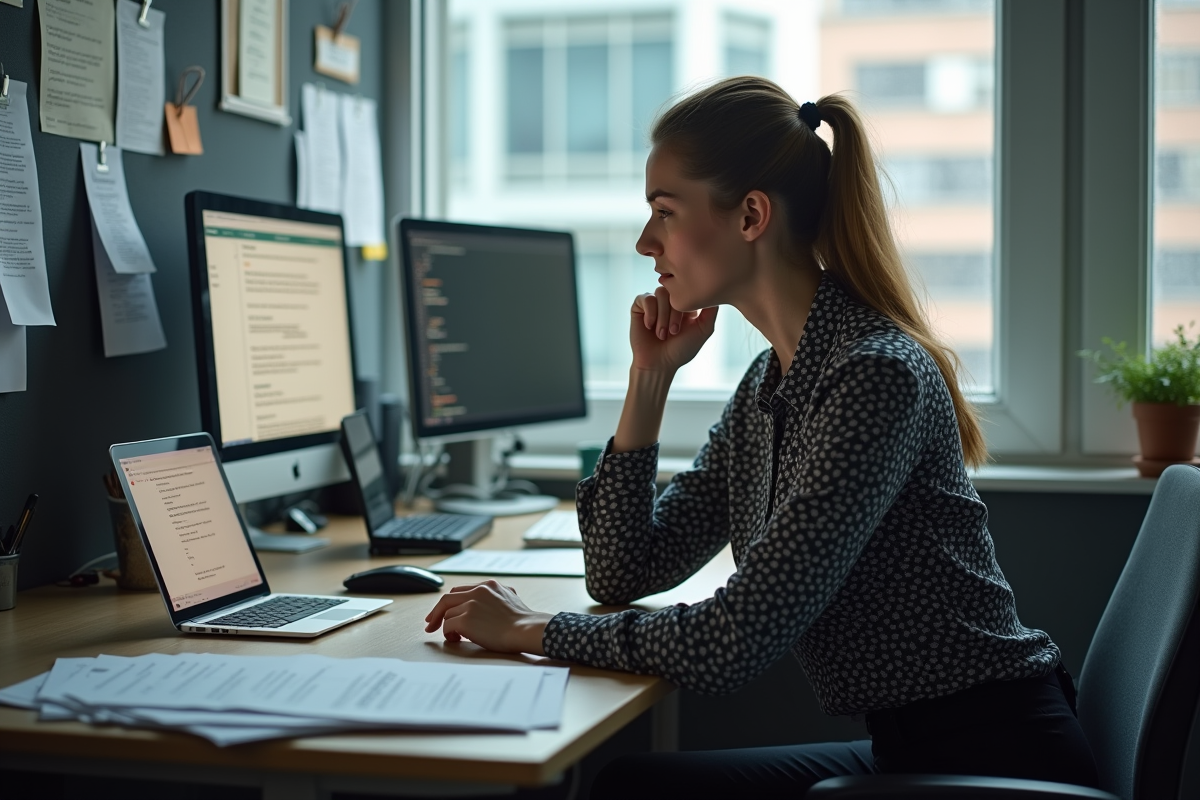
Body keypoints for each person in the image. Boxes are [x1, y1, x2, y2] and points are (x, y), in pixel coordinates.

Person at [424, 77, 1100, 798]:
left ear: (750, 215)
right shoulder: (768, 385)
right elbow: (621, 575)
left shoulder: (873, 377)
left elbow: (733, 643)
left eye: (664, 212)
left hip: (996, 763)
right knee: (631, 783)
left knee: (630, 791)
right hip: (912, 754)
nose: (644, 241)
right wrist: (648, 382)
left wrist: (531, 629)